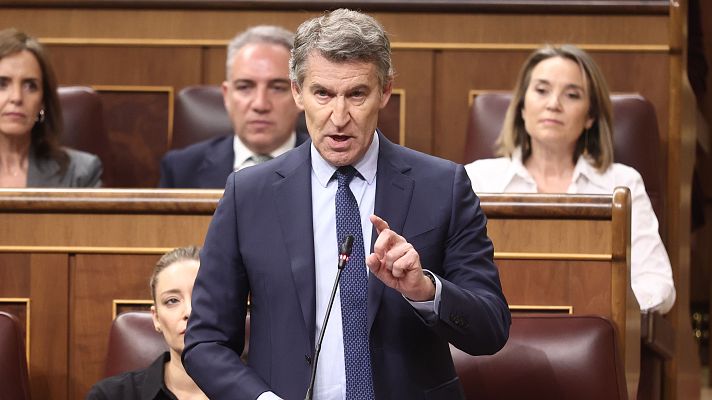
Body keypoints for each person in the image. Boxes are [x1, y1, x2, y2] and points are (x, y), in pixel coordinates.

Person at [183, 9, 510, 400]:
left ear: (385, 91)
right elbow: (205, 342)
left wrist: (424, 290)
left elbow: (491, 328)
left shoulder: (441, 186)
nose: (339, 118)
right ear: (298, 92)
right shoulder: (248, 194)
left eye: (357, 94)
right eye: (323, 93)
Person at [465, 44, 676, 313]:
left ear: (590, 116)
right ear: (522, 107)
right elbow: (453, 275)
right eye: (541, 90)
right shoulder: (476, 179)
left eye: (572, 95)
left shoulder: (621, 183)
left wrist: (605, 306)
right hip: (495, 327)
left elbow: (658, 284)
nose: (553, 104)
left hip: (592, 326)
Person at [159, 25, 308, 188]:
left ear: (299, 95)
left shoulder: (325, 163)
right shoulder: (180, 169)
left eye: (277, 88)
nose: (260, 104)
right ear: (226, 95)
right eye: (245, 87)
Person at [87, 246, 208, 399]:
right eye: (172, 300)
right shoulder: (110, 395)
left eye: (202, 297)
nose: (189, 312)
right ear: (156, 318)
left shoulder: (240, 390)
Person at [0, 28, 102, 187]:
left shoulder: (79, 173)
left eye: (30, 86)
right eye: (2, 84)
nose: (17, 98)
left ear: (43, 101)